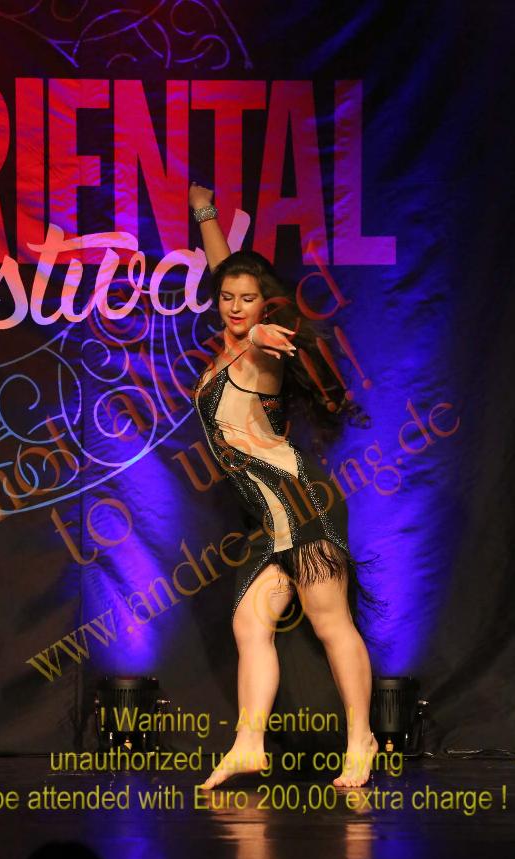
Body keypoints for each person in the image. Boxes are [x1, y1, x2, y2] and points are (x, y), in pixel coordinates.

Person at [188, 183, 385, 789]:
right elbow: (228, 270)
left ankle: (362, 740)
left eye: (248, 300)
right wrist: (205, 213)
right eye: (228, 298)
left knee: (331, 623)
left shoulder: (261, 351)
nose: (236, 307)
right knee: (250, 625)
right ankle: (249, 744)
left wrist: (263, 334)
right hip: (268, 520)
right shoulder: (229, 342)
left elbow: (262, 335)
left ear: (265, 304)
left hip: (301, 503)